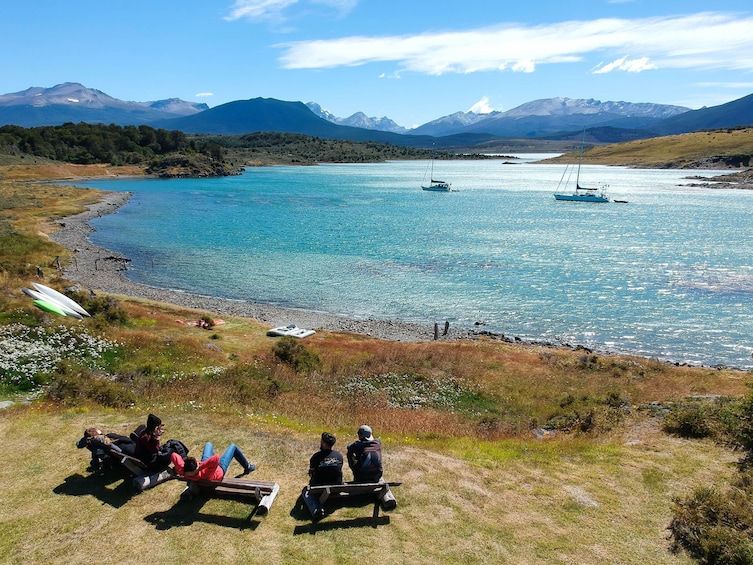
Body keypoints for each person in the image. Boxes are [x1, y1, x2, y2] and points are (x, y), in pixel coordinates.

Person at [171, 441, 256, 482]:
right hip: (219, 470)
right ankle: (247, 467)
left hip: (202, 470)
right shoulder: (206, 474)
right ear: (196, 468)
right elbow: (216, 458)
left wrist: (183, 465)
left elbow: (174, 455)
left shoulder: (183, 471)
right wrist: (200, 467)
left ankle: (248, 466)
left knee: (209, 444)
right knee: (233, 447)